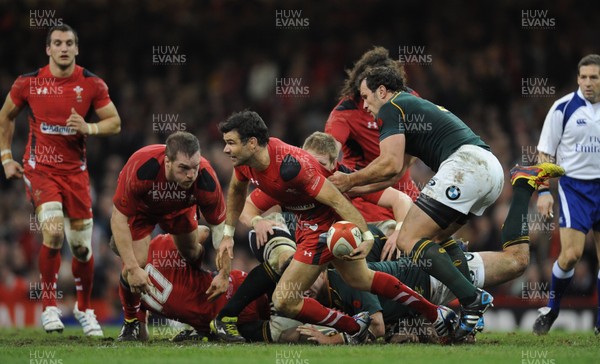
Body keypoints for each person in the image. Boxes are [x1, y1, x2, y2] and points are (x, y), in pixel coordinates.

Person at [328, 66, 565, 340]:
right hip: (486, 168)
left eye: (366, 96)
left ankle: (471, 299)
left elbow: (389, 163)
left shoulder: (391, 107)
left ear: (382, 91)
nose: (364, 104)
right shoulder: (410, 106)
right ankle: (522, 185)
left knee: (407, 239)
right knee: (435, 238)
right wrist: (354, 188)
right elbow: (393, 173)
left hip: (465, 166)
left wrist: (348, 180)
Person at [214, 110, 456, 345]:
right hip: (308, 225)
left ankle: (352, 327)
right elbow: (236, 191)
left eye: (231, 143)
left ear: (252, 143)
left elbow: (338, 201)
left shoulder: (293, 168)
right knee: (361, 279)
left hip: (324, 228)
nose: (226, 149)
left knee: (284, 300)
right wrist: (228, 234)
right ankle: (436, 314)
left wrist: (366, 236)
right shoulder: (246, 162)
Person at [299, 162, 565, 344]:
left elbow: (376, 326)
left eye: (305, 281)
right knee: (514, 262)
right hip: (428, 280)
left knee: (516, 262)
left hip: (434, 276)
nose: (305, 290)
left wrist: (336, 338)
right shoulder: (334, 293)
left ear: (319, 269)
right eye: (300, 292)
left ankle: (521, 186)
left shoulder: (345, 279)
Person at [0, 24, 121, 336]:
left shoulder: (91, 84)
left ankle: (83, 308)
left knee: (82, 250)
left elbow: (115, 122)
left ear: (76, 49)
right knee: (53, 233)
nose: (64, 47)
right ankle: (49, 307)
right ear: (48, 49)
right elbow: (6, 116)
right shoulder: (28, 83)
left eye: (69, 43)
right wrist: (5, 159)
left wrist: (89, 128)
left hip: (76, 175)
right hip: (40, 171)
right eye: (57, 43)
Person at [110, 131, 227, 341]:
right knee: (135, 264)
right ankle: (131, 323)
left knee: (191, 253)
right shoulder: (141, 167)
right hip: (143, 211)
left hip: (180, 210)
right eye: (183, 168)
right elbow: (118, 219)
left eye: (195, 167)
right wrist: (133, 267)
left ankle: (193, 238)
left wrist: (225, 273)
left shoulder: (206, 178)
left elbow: (221, 230)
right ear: (167, 162)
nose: (191, 175)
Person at [108, 230, 302, 343]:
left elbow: (140, 336)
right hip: (228, 315)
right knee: (297, 327)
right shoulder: (162, 244)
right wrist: (191, 248)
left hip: (236, 298)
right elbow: (204, 231)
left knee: (298, 312)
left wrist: (193, 253)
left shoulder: (130, 286)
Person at [533, 54, 600, 336]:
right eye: (583, 77)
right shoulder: (563, 108)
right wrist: (544, 190)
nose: (587, 83)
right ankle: (552, 308)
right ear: (577, 78)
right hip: (575, 189)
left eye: (594, 77)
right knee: (571, 255)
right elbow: (544, 152)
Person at [325, 46, 420, 227]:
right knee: (386, 244)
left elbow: (418, 143)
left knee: (433, 242)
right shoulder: (345, 112)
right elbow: (329, 151)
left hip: (404, 187)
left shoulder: (407, 98)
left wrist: (402, 167)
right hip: (365, 194)